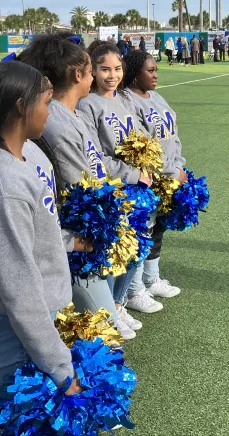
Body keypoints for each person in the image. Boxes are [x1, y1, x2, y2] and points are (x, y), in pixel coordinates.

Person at [0, 62, 81, 433]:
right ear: (22, 106)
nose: (49, 111)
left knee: (13, 405)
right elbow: (19, 289)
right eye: (45, 102)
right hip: (14, 324)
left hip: (25, 321)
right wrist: (60, 368)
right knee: (18, 414)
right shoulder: (1, 183)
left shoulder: (16, 162)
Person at [20, 34, 151, 340]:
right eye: (92, 70)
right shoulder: (55, 121)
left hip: (89, 233)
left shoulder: (71, 113)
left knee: (94, 332)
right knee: (102, 336)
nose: (95, 76)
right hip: (76, 239)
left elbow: (96, 168)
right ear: (78, 75)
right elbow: (76, 188)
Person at [77, 42, 162, 323]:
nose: (111, 75)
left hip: (137, 187)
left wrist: (146, 164)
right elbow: (95, 155)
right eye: (104, 70)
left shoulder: (125, 100)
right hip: (113, 188)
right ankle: (112, 309)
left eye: (117, 69)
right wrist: (130, 173)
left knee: (135, 248)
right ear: (93, 71)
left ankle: (119, 302)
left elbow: (140, 140)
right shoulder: (87, 105)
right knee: (115, 250)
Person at [124, 51, 185, 303]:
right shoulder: (128, 101)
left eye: (156, 69)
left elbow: (173, 136)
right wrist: (171, 171)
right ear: (135, 74)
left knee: (158, 227)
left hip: (169, 175)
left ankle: (151, 278)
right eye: (150, 70)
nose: (155, 74)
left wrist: (179, 166)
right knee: (143, 230)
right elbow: (141, 148)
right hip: (148, 177)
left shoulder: (157, 97)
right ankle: (134, 289)